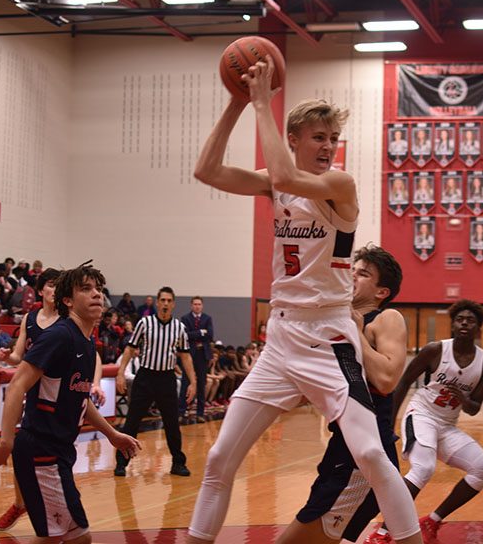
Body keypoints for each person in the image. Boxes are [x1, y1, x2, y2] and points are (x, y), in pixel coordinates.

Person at [188, 57, 422, 544]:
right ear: (294, 138)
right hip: (281, 336)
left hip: (329, 336)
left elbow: (286, 178)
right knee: (217, 459)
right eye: (318, 137)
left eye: (332, 138)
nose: (328, 147)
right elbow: (206, 170)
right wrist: (236, 103)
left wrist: (261, 104)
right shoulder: (277, 178)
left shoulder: (339, 185)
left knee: (375, 456)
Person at [0, 263, 141, 543]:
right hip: (42, 451)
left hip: (59, 452)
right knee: (78, 538)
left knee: (57, 537)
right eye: (86, 289)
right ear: (67, 300)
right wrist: (6, 443)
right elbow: (17, 385)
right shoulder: (60, 336)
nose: (96, 295)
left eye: (99, 289)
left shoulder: (87, 344)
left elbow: (80, 399)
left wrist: (111, 434)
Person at [277, 245, 407, 544]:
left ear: (381, 292)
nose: (352, 276)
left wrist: (356, 332)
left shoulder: (385, 319)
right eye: (351, 270)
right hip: (341, 448)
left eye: (362, 274)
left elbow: (387, 379)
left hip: (362, 455)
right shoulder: (337, 325)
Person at [368, 299, 483, 544]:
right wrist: (388, 422)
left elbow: (475, 408)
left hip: (447, 425)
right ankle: (382, 532)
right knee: (423, 469)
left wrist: (464, 399)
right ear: (453, 325)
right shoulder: (435, 350)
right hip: (422, 414)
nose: (465, 323)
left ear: (479, 328)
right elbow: (403, 382)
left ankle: (432, 521)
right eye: (460, 319)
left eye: (471, 320)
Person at [114, 287, 196, 477]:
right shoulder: (145, 323)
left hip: (166, 378)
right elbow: (129, 349)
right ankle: (121, 463)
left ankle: (177, 463)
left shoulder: (179, 327)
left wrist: (193, 382)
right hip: (145, 377)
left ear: (173, 304)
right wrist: (120, 374)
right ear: (157, 303)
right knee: (132, 422)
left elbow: (185, 357)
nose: (166, 304)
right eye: (163, 300)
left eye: (169, 301)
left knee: (172, 423)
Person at [180, 296, 214, 423]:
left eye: (199, 304)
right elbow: (185, 335)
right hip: (189, 354)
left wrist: (195, 334)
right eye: (195, 304)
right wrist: (200, 332)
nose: (197, 306)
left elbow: (210, 335)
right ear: (191, 305)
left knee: (201, 383)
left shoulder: (207, 318)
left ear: (202, 305)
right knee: (185, 382)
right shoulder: (185, 318)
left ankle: (200, 413)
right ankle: (181, 411)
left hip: (202, 355)